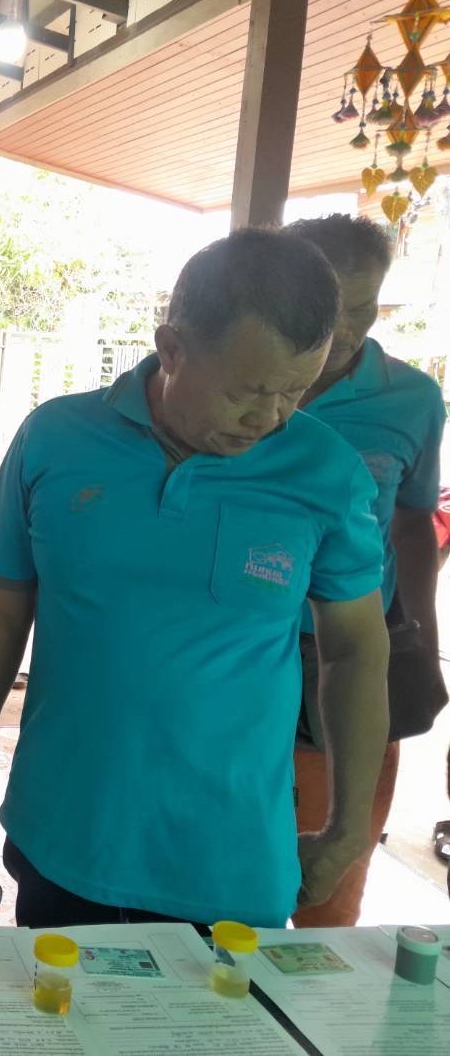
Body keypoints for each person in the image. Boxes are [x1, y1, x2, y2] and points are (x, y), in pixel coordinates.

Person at [0, 230, 390, 931]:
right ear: (171, 348)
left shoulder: (324, 471)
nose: (269, 418)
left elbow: (356, 647)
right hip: (65, 834)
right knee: (56, 1001)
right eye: (246, 391)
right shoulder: (56, 439)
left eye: (294, 392)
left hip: (231, 859)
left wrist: (348, 828)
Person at [281, 214, 446, 926]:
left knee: (330, 872)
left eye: (365, 307)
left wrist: (421, 636)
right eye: (328, 308)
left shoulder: (410, 400)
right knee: (228, 853)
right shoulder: (243, 383)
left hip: (347, 650)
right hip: (240, 643)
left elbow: (412, 522)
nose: (345, 329)